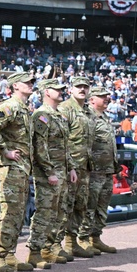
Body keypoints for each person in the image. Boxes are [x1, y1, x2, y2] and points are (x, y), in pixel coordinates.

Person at [0, 71, 36, 272]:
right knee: (9, 210)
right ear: (15, 85)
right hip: (11, 166)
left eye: (32, 82)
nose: (30, 85)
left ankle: (9, 253)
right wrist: (4, 150)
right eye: (26, 82)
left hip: (23, 166)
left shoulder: (24, 109)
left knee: (18, 211)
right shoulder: (10, 106)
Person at [28, 79, 76, 269]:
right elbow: (40, 147)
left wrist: (71, 167)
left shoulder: (59, 116)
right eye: (57, 89)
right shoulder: (41, 115)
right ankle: (34, 251)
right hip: (48, 173)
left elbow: (65, 146)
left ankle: (50, 247)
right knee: (44, 211)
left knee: (59, 211)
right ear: (46, 92)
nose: (61, 92)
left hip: (62, 171)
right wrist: (49, 171)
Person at [56, 76, 95, 259]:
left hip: (84, 166)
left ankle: (72, 242)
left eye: (85, 87)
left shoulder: (88, 112)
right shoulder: (65, 108)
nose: (82, 89)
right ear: (71, 89)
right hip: (69, 166)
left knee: (80, 204)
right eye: (78, 86)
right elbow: (62, 140)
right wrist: (69, 165)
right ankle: (55, 244)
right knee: (64, 205)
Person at [81, 86, 121, 254]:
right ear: (92, 99)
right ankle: (83, 238)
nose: (106, 98)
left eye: (107, 96)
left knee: (102, 206)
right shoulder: (86, 116)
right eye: (101, 96)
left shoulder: (105, 117)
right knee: (89, 205)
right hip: (93, 170)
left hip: (107, 170)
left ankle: (95, 237)